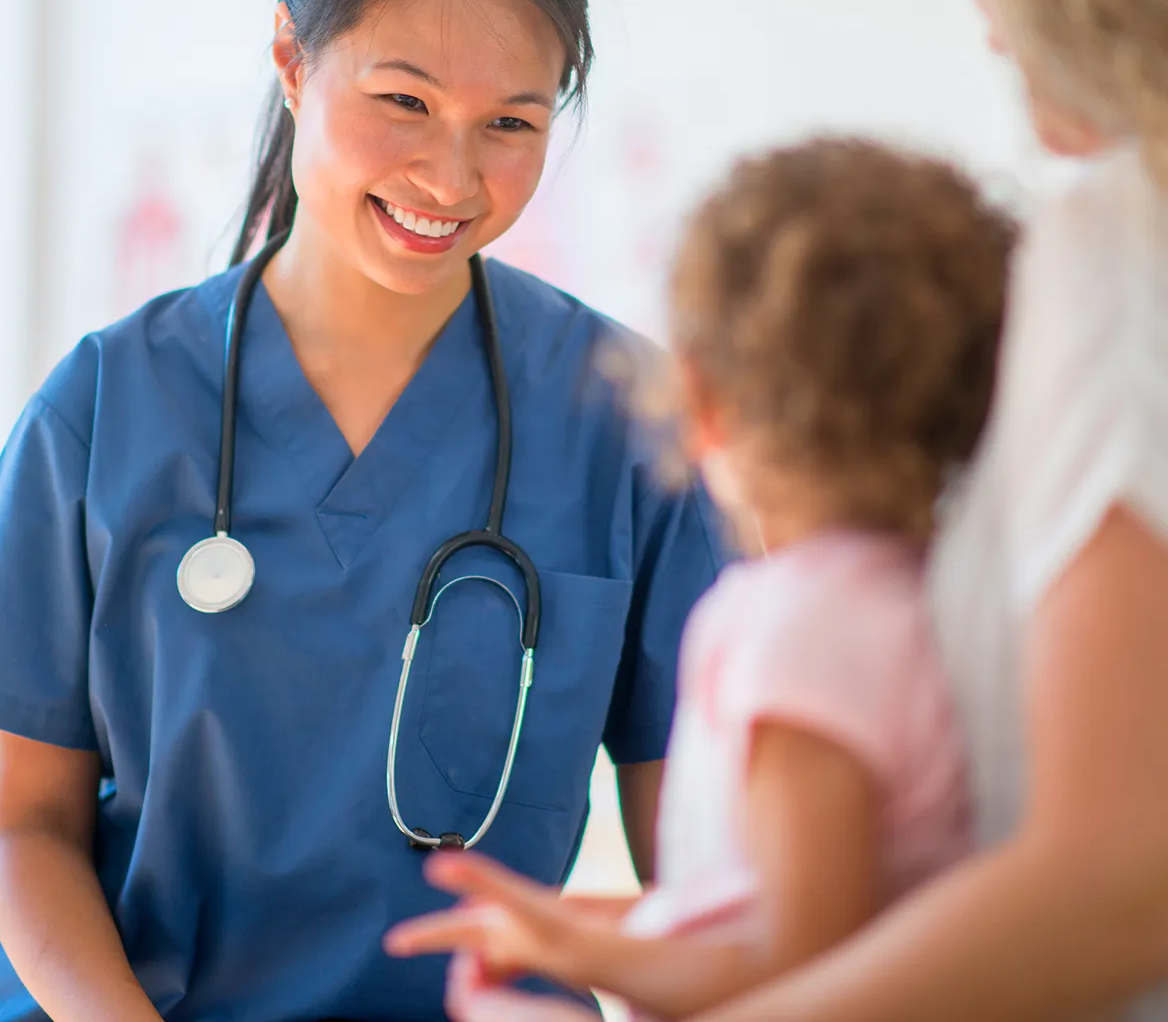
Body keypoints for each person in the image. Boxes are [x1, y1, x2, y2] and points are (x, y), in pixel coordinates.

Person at [0, 0, 724, 1022]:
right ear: (290, 58)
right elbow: (28, 827)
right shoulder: (110, 401)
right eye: (403, 102)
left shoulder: (624, 420)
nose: (451, 171)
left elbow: (697, 867)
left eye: (510, 122)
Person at [433, 0, 1168, 1021]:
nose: (991, 20)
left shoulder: (1114, 249)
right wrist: (609, 932)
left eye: (515, 116)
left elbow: (1087, 881)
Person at [385, 138, 1016, 1018]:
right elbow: (777, 912)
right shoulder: (940, 599)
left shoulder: (797, 633)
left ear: (703, 403)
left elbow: (802, 971)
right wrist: (576, 936)